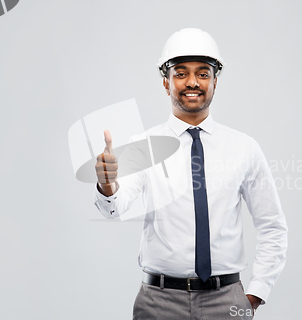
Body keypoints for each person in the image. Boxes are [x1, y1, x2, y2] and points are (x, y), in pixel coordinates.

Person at [93, 28, 288, 320]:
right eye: (181, 73)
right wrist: (107, 184)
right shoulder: (143, 146)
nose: (193, 82)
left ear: (215, 82)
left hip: (227, 300)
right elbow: (115, 210)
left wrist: (255, 293)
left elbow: (272, 225)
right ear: (166, 82)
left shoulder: (244, 148)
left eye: (203, 73)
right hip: (158, 302)